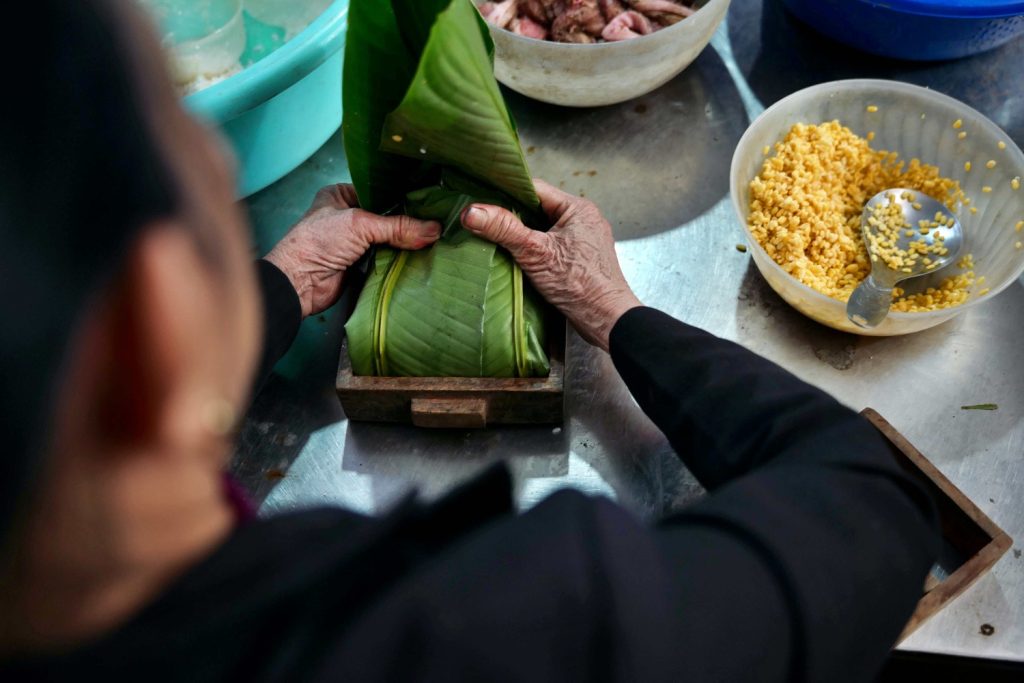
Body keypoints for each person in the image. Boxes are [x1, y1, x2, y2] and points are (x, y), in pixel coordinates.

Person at [0, 1, 938, 681]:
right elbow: (873, 505)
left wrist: (279, 288)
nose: (211, 158)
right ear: (151, 325)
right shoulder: (499, 633)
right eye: (191, 143)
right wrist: (615, 311)